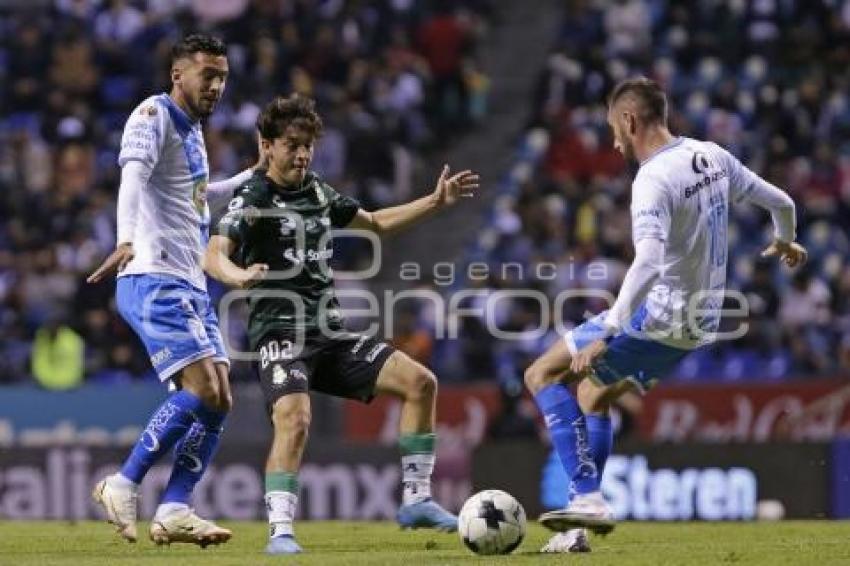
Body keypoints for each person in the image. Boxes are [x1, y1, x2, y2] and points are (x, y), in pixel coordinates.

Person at [523, 77, 808, 554]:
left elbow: (649, 263)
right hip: (700, 324)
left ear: (630, 121)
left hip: (659, 316)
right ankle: (577, 531)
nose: (614, 141)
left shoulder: (652, 179)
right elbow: (783, 202)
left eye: (615, 129)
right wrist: (786, 239)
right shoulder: (711, 156)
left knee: (541, 374)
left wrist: (610, 328)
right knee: (593, 394)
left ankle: (589, 500)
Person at [204, 94, 479, 555]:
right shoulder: (251, 199)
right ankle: (280, 531)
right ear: (267, 146)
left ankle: (416, 501)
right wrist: (239, 276)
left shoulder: (317, 191)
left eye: (308, 145)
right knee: (295, 418)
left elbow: (373, 223)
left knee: (421, 382)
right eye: (292, 144)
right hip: (280, 338)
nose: (302, 154)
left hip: (331, 336)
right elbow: (213, 255)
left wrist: (434, 202)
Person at [87, 33, 265, 547]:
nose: (216, 86)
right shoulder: (153, 115)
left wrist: (248, 176)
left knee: (221, 398)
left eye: (223, 78)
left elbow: (196, 197)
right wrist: (123, 239)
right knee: (203, 389)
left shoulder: (191, 133)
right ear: (178, 75)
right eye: (208, 75)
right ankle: (122, 483)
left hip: (189, 282)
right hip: (153, 274)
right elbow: (133, 179)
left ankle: (175, 508)